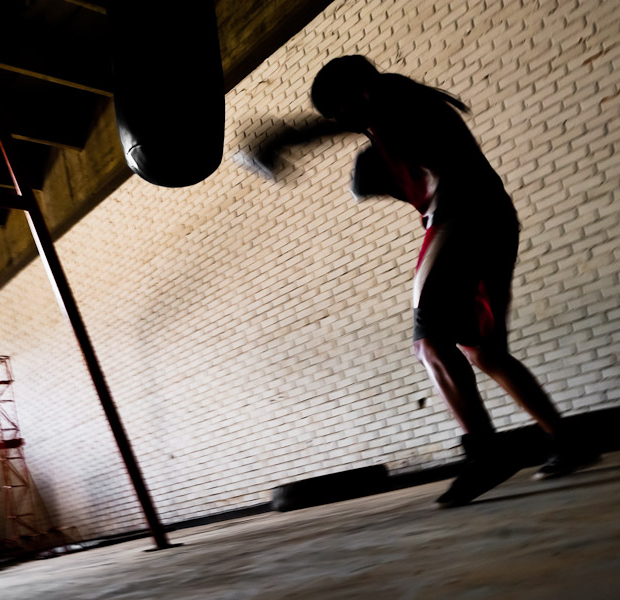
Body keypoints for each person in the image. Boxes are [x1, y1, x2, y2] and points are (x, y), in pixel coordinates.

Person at [255, 55, 598, 507]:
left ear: (356, 92)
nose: (342, 122)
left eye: (338, 111)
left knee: (430, 341)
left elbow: (343, 125)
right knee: (484, 350)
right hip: (490, 219)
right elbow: (360, 139)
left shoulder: (391, 97)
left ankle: (486, 454)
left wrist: (284, 136)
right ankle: (568, 440)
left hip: (464, 218)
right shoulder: (394, 112)